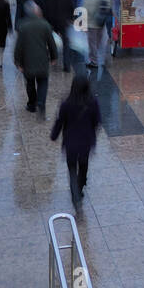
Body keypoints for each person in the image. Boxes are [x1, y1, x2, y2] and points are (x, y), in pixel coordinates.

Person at [50, 71, 101, 208]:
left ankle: (75, 195)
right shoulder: (93, 102)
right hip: (86, 142)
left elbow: (60, 122)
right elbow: (97, 121)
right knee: (83, 166)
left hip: (71, 143)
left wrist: (54, 135)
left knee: (72, 168)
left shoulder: (66, 104)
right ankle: (80, 186)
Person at [13, 1, 58, 112]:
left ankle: (32, 105)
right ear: (37, 11)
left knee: (30, 83)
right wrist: (54, 57)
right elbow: (51, 43)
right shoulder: (45, 24)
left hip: (27, 61)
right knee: (43, 82)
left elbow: (18, 46)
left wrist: (17, 62)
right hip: (42, 59)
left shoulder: (22, 26)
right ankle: (41, 102)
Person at [39, 0, 76, 72]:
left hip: (51, 20)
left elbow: (45, 6)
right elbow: (72, 6)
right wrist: (72, 18)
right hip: (64, 20)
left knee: (49, 41)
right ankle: (67, 65)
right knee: (66, 43)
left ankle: (48, 60)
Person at [84, 0, 113, 69]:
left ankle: (94, 61)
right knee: (99, 39)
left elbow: (86, 10)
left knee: (92, 42)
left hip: (92, 23)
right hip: (101, 21)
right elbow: (109, 5)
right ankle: (99, 56)